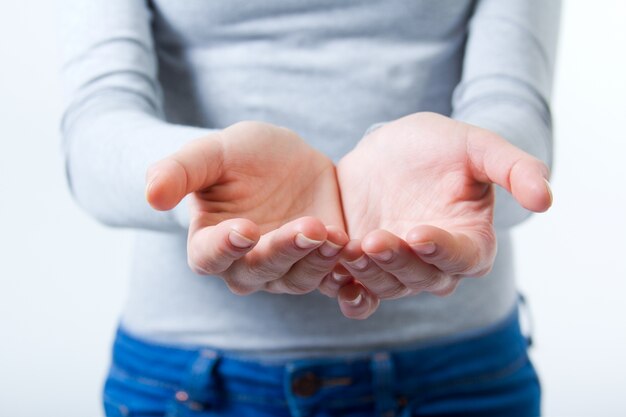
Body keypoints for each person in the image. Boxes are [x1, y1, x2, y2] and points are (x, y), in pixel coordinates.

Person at [59, 0, 560, 416]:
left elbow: (512, 106)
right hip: (189, 383)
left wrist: (466, 183)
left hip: (459, 378)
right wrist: (196, 186)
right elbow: (95, 130)